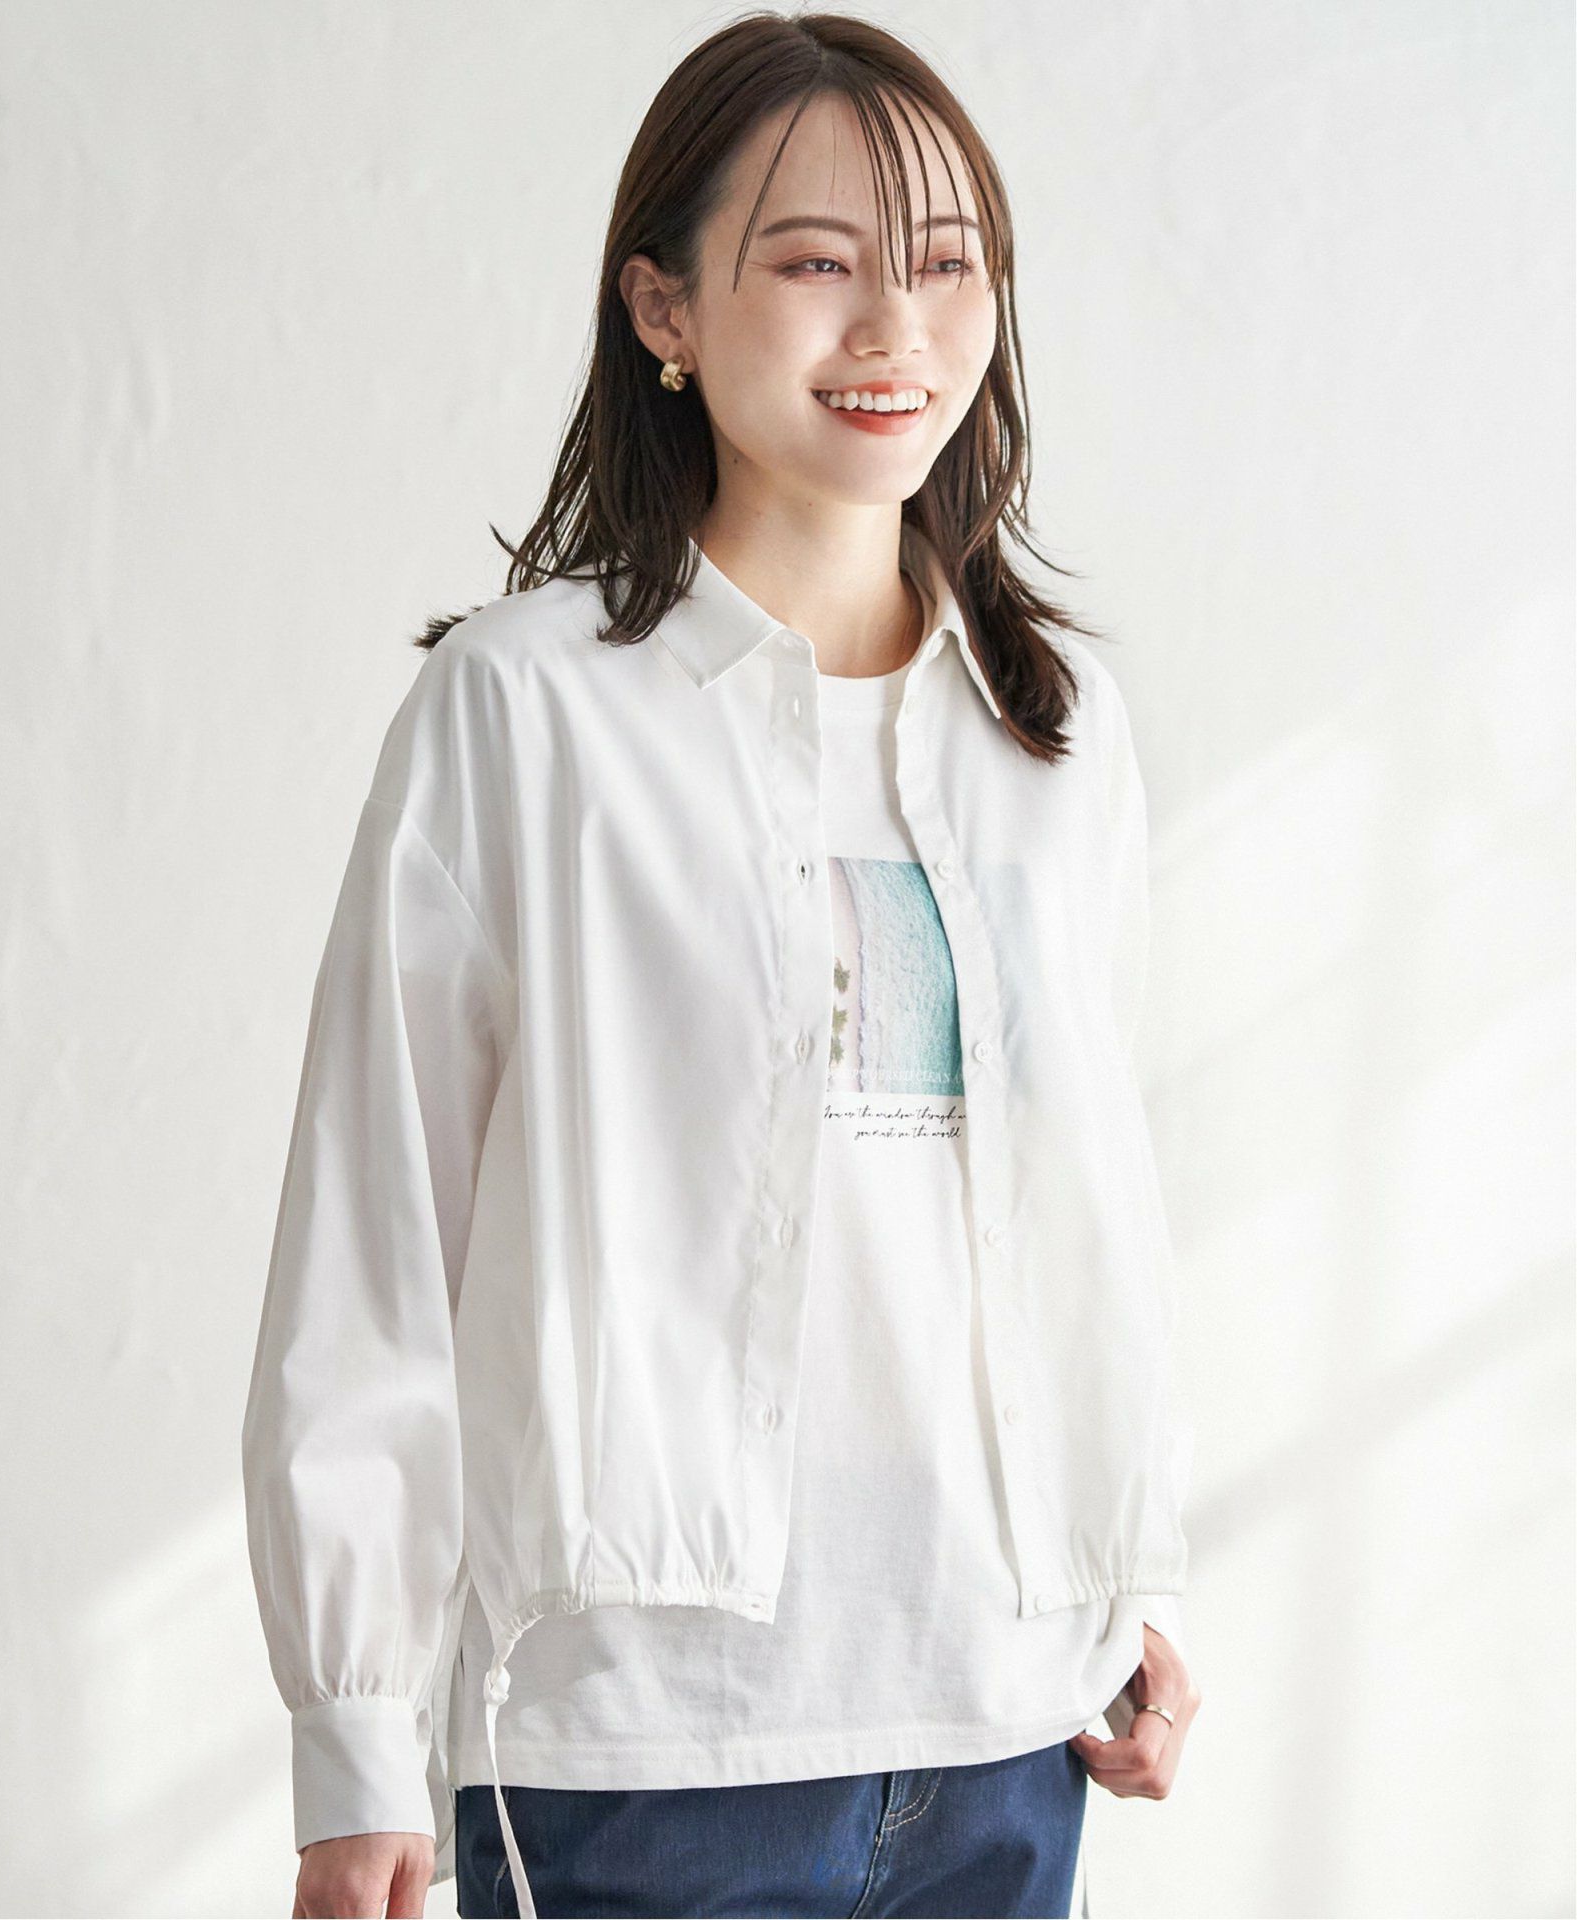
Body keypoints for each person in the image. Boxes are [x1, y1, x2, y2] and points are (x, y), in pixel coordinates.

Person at [240, 12, 1202, 1918]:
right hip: (637, 1755)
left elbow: (1092, 1200)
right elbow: (377, 1231)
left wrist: (1134, 1567)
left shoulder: (1054, 730)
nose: (895, 327)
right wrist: (351, 1733)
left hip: (1009, 1728)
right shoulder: (524, 710)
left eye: (947, 265)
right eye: (816, 261)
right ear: (663, 306)